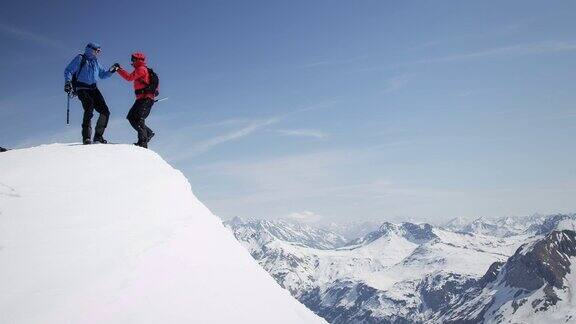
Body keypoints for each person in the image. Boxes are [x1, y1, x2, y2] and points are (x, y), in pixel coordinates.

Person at [64, 42, 117, 144]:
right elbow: (68, 70)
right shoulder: (80, 58)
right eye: (97, 50)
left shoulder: (96, 62)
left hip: (93, 89)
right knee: (89, 107)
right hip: (82, 88)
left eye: (99, 51)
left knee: (105, 111)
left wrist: (111, 71)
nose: (98, 53)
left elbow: (102, 75)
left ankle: (98, 137)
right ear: (91, 49)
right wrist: (67, 82)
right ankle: (86, 137)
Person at [116, 52, 158, 148]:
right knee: (131, 117)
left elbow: (129, 78)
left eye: (133, 59)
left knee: (139, 119)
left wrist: (118, 69)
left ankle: (142, 143)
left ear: (138, 60)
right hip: (141, 99)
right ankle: (148, 133)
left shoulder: (141, 69)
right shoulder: (144, 69)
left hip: (145, 99)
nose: (132, 61)